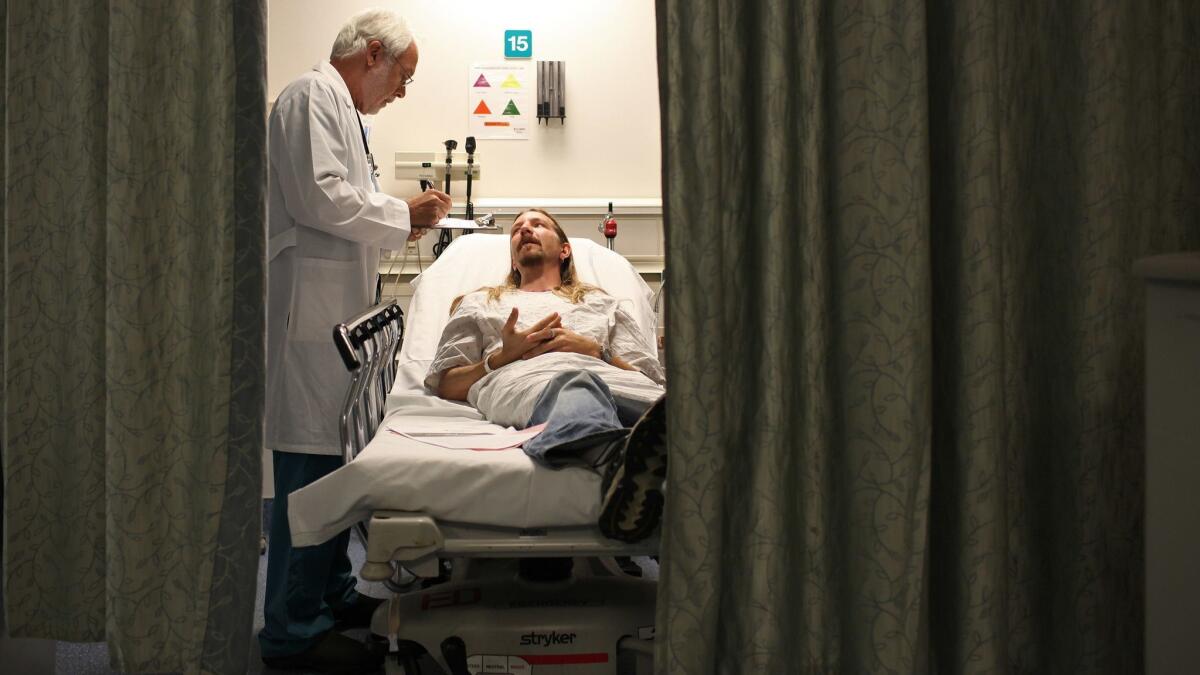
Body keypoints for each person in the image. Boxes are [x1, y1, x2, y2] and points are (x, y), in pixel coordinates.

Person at [262, 9, 452, 673]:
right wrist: (405, 213)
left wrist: (398, 217)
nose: (402, 91)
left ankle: (333, 593)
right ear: (374, 53)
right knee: (310, 476)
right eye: (403, 76)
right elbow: (320, 198)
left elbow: (346, 201)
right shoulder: (309, 96)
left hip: (336, 326)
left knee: (338, 466)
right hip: (309, 328)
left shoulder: (345, 114)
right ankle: (289, 629)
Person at [425, 209, 668, 543]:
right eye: (517, 229)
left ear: (564, 250)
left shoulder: (603, 303)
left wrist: (597, 351)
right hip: (527, 380)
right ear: (513, 260)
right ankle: (616, 459)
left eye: (537, 224)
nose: (525, 230)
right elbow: (447, 383)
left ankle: (638, 450)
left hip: (614, 381)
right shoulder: (480, 302)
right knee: (574, 382)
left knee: (671, 410)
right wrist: (501, 358)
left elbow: (646, 377)